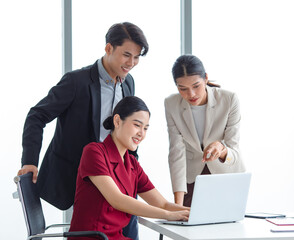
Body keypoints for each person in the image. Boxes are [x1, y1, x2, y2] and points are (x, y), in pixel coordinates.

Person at [17, 22, 149, 239]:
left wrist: (132, 170)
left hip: (118, 177)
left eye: (136, 57)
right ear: (108, 49)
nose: (132, 63)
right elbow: (36, 116)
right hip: (82, 178)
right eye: (127, 55)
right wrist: (29, 160)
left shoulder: (128, 83)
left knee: (129, 227)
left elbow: (126, 131)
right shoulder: (76, 82)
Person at [68, 96, 190, 240]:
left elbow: (162, 203)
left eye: (145, 128)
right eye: (137, 125)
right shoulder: (94, 152)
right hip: (93, 238)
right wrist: (168, 216)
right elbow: (117, 199)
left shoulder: (132, 164)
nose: (141, 133)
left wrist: (193, 212)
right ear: (117, 121)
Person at [164, 54, 246, 207]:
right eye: (183, 89)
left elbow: (234, 150)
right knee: (187, 227)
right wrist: (178, 206)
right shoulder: (171, 104)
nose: (191, 94)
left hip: (227, 176)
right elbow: (176, 153)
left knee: (228, 229)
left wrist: (221, 150)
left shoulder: (229, 100)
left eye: (196, 86)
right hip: (192, 180)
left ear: (206, 78)